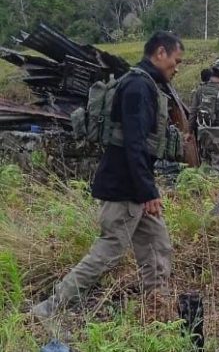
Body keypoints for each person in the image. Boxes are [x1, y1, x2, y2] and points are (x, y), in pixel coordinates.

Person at [31, 31, 185, 319]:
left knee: (157, 245)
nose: (176, 68)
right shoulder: (139, 87)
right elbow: (134, 143)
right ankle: (52, 307)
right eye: (176, 61)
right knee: (109, 251)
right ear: (160, 52)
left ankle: (157, 308)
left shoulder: (145, 84)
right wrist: (147, 191)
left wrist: (146, 189)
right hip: (124, 187)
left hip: (135, 185)